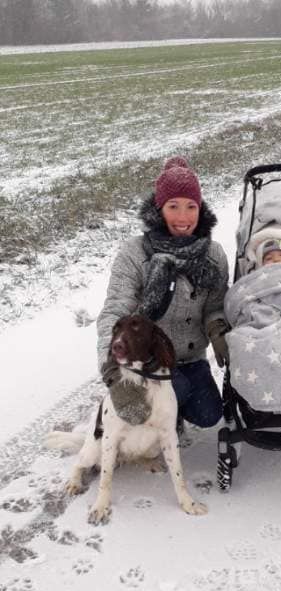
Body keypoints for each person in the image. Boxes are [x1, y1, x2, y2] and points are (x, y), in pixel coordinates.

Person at [97, 156, 229, 428]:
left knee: (209, 415)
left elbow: (215, 305)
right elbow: (115, 312)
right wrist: (112, 371)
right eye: (173, 206)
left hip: (191, 359)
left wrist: (217, 329)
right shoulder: (135, 253)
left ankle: (172, 407)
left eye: (191, 206)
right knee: (167, 396)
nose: (183, 217)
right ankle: (138, 406)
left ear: (200, 209)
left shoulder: (213, 254)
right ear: (159, 210)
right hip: (147, 360)